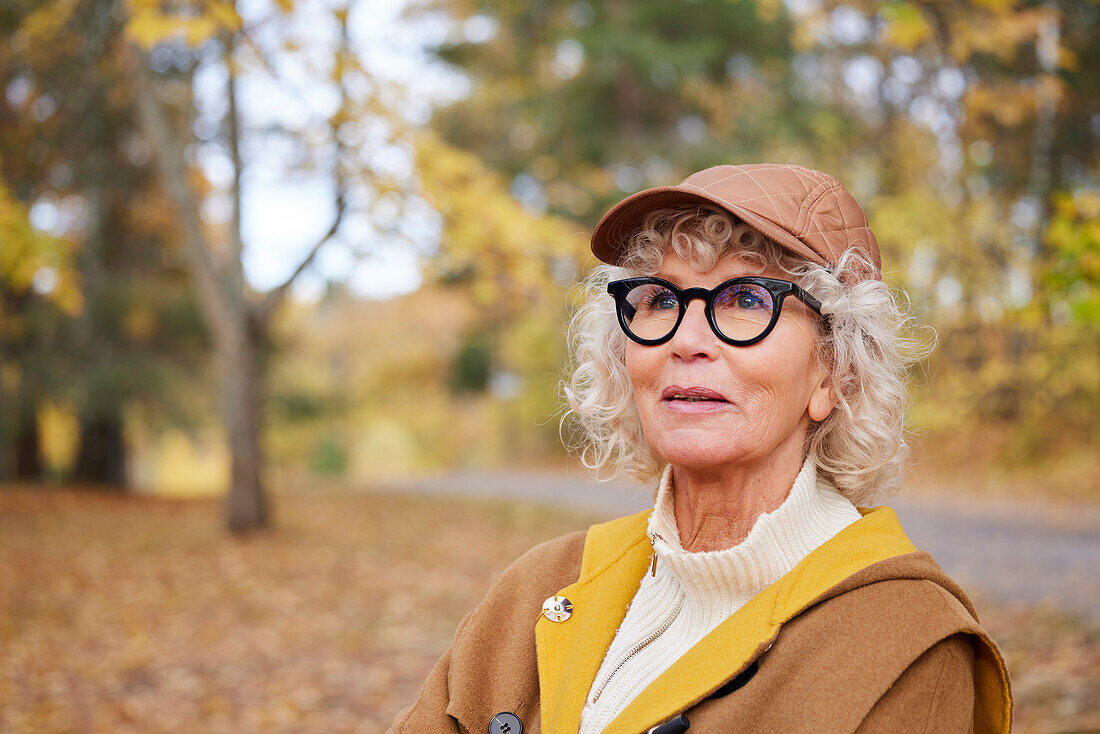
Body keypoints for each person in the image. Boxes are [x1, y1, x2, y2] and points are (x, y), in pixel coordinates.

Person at [387, 164, 1013, 734]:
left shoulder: (906, 640)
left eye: (746, 299)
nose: (686, 340)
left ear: (834, 373)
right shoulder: (539, 588)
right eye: (658, 298)